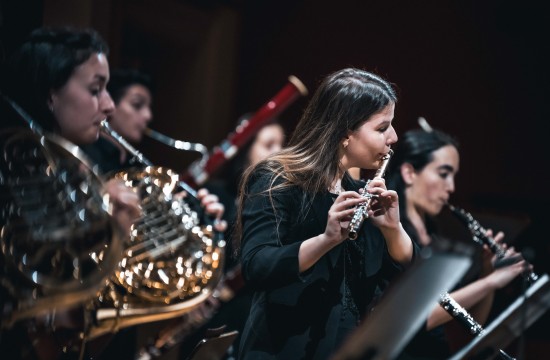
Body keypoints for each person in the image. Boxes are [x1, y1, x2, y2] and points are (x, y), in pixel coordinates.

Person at [0, 26, 225, 359]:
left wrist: (182, 242)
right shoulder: (18, 178)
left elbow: (79, 340)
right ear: (50, 94)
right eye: (96, 89)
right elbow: (42, 326)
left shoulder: (73, 179)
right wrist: (114, 235)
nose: (108, 106)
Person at [233, 67, 416, 359]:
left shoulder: (360, 193)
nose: (393, 137)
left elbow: (399, 280)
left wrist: (393, 230)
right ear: (345, 132)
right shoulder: (277, 179)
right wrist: (327, 240)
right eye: (382, 128)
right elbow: (258, 267)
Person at [385, 127, 529, 359]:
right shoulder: (391, 234)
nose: (451, 187)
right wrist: (491, 282)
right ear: (410, 172)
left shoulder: (436, 238)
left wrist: (487, 272)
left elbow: (470, 324)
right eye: (443, 174)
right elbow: (418, 319)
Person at [80, 68, 153, 173]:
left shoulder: (134, 166)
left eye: (149, 107)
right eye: (137, 105)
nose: (148, 116)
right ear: (111, 104)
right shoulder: (85, 155)